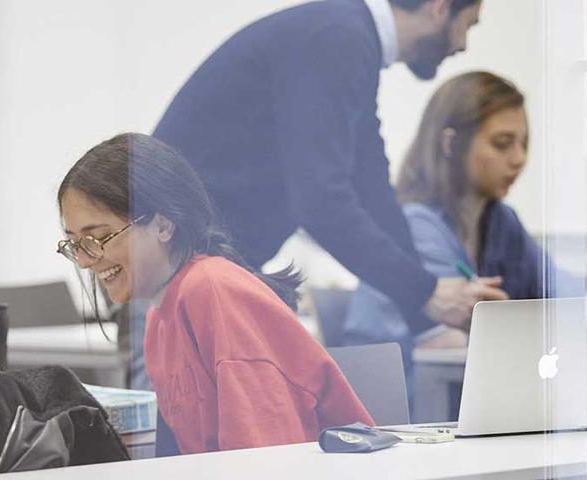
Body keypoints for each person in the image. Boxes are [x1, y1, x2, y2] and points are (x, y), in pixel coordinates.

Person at [153, 0, 507, 339]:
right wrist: (425, 293)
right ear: (439, 7)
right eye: (468, 25)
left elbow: (372, 190)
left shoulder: (349, 40)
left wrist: (426, 310)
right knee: (169, 400)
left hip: (191, 261)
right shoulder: (338, 38)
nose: (462, 45)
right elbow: (321, 201)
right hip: (169, 264)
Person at [56, 133, 373, 454]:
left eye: (100, 237)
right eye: (75, 244)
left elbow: (266, 461)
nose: (84, 260)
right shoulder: (158, 320)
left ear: (163, 226)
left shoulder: (213, 291)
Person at [344, 71, 582, 362]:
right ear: (451, 145)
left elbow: (563, 289)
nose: (519, 158)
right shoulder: (414, 225)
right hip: (406, 398)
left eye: (524, 144)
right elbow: (453, 344)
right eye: (502, 143)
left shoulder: (501, 222)